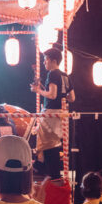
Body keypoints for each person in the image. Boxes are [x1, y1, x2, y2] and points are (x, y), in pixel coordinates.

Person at [29, 48, 73, 180]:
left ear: (53, 61)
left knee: (45, 143)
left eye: (45, 59)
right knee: (53, 142)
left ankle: (47, 171)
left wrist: (38, 90)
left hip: (51, 113)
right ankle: (49, 171)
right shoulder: (65, 76)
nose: (44, 62)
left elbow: (52, 95)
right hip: (62, 113)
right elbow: (72, 98)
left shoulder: (53, 74)